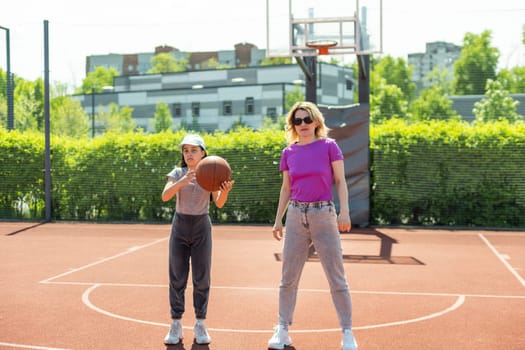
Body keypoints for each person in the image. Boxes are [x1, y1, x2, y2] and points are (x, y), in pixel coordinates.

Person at [268, 101, 358, 350]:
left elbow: (340, 181)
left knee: (336, 277)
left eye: (307, 119)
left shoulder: (329, 146)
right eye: (298, 120)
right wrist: (278, 220)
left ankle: (347, 332)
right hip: (296, 215)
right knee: (288, 278)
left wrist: (345, 211)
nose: (303, 124)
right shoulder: (289, 152)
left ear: (316, 122)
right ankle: (283, 329)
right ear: (292, 125)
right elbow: (286, 188)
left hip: (323, 214)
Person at [162, 134, 234, 346]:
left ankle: (200, 323)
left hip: (202, 226)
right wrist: (182, 182)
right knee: (177, 277)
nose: (189, 154)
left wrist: (225, 192)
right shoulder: (177, 173)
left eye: (194, 150)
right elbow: (165, 196)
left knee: (202, 278)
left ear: (203, 152)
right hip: (180, 226)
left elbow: (219, 203)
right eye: (186, 150)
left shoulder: (209, 173)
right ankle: (175, 323)